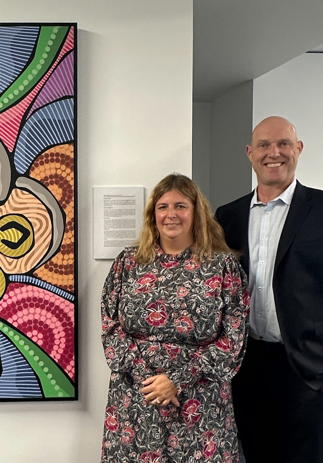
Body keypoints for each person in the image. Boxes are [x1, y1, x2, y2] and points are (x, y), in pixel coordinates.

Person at [215, 116, 323, 463]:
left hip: (311, 372)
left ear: (298, 149)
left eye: (284, 143)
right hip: (248, 369)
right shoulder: (227, 217)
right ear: (249, 153)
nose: (275, 153)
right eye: (264, 145)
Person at [100, 173, 250, 463]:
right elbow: (110, 327)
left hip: (201, 402)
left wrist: (177, 380)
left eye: (180, 206)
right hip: (136, 399)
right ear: (152, 214)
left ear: (196, 213)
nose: (171, 214)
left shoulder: (223, 266)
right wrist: (150, 379)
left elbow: (234, 341)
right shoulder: (128, 262)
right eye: (163, 206)